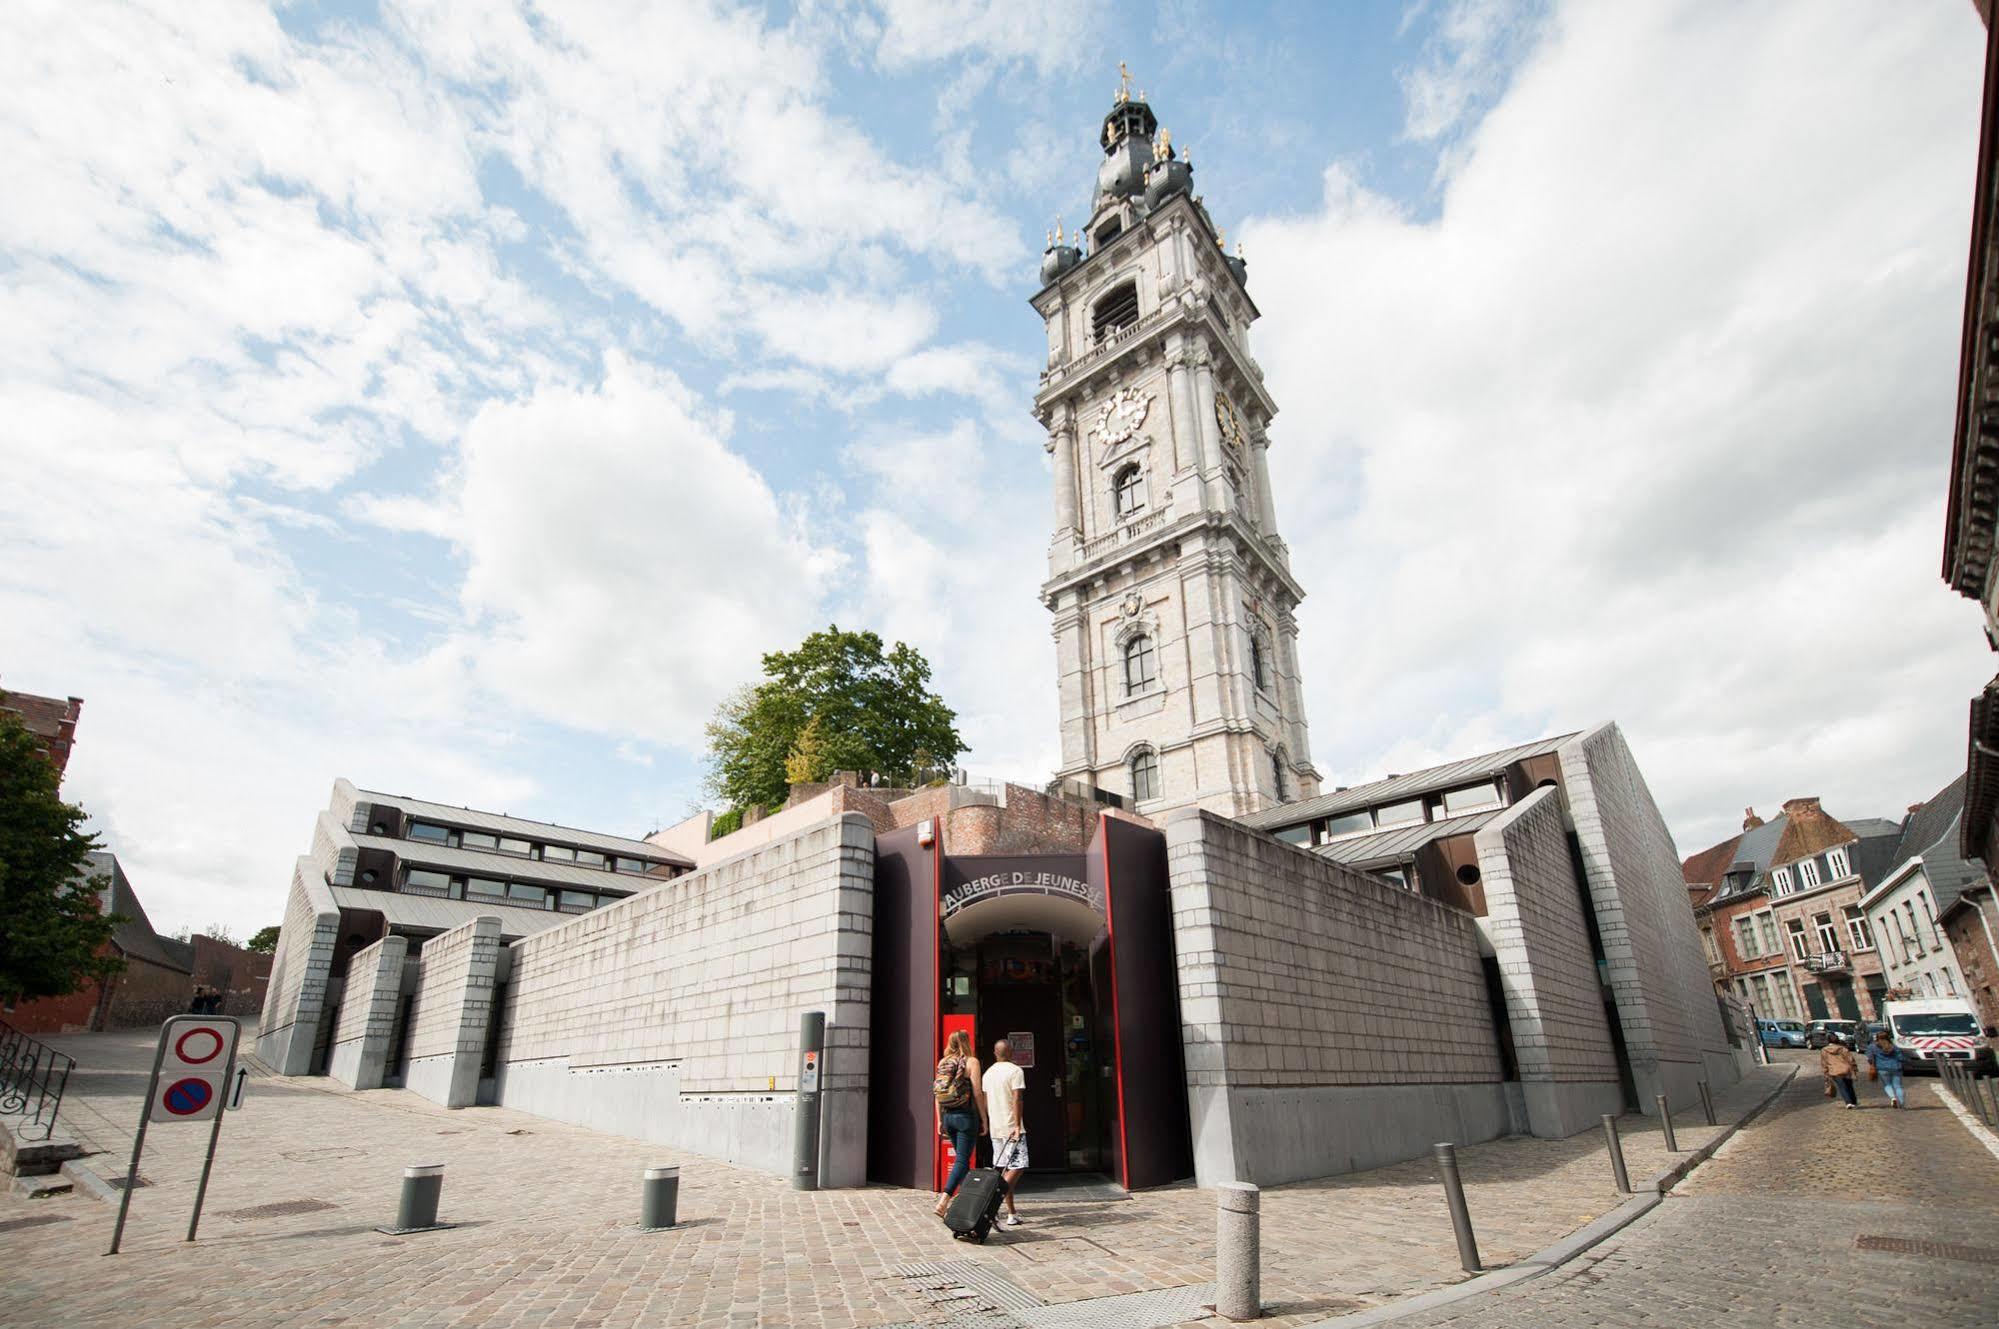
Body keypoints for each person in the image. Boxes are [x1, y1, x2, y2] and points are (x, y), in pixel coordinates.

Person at [931, 1030, 986, 1218]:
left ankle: (967, 1204)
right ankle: (944, 1200)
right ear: (967, 1042)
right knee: (962, 1160)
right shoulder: (972, 1062)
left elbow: (938, 1092)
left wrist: (939, 1120)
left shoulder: (943, 1062)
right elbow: (978, 1093)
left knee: (961, 1163)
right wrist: (984, 1118)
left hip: (948, 1117)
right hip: (965, 1117)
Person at [982, 1039, 1028, 1228]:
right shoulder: (1015, 1071)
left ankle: (1011, 1213)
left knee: (1004, 1168)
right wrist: (1017, 1125)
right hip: (1011, 1127)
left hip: (996, 1129)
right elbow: (1017, 1099)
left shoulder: (988, 1073)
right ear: (1011, 1053)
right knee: (1019, 1166)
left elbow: (985, 1102)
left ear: (995, 1053)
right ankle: (992, 1204)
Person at [1865, 1030, 1906, 1109]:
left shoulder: (1872, 1046)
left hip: (1882, 1068)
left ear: (1877, 1038)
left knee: (1887, 1085)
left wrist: (1872, 1064)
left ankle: (1893, 1098)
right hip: (1896, 1067)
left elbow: (1869, 1058)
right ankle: (1901, 1102)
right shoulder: (1893, 1046)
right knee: (1898, 1086)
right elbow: (1900, 1057)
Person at [1819, 1034, 1857, 1109]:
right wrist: (1854, 1069)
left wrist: (1826, 1072)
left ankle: (1848, 1102)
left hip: (1834, 1070)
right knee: (1849, 1085)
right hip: (1846, 1069)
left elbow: (1824, 1062)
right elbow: (1850, 1059)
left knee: (1842, 1087)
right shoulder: (1843, 1049)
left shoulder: (1824, 1050)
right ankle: (1853, 1101)